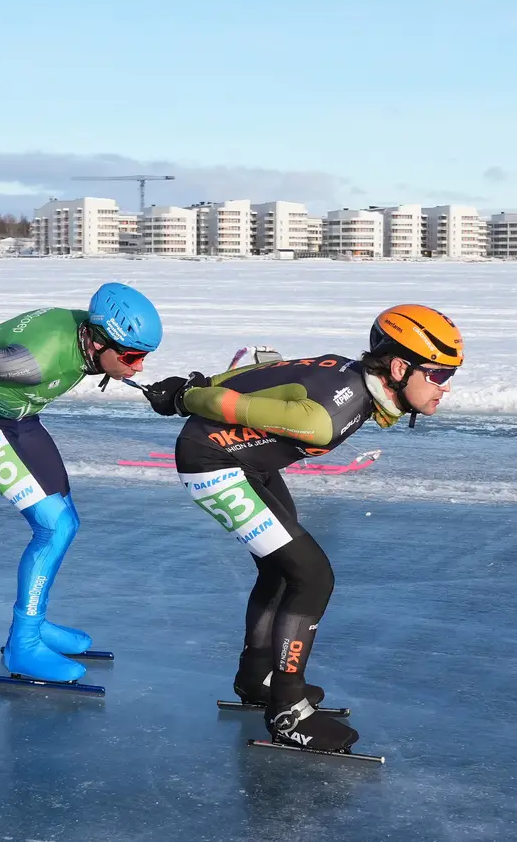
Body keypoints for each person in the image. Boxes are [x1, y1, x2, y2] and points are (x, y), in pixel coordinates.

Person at [142, 304, 464, 751]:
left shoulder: (349, 375)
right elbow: (233, 403)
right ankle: (287, 710)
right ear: (397, 366)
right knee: (312, 576)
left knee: (282, 570)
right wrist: (186, 397)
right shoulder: (325, 418)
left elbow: (267, 373)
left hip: (250, 463)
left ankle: (257, 678)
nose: (444, 388)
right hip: (212, 462)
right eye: (438, 375)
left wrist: (196, 383)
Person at [0, 283, 162, 684]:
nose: (138, 366)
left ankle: (36, 623)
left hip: (18, 415)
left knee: (66, 517)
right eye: (131, 356)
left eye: (142, 357)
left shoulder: (85, 332)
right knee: (54, 525)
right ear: (100, 340)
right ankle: (24, 644)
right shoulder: (31, 363)